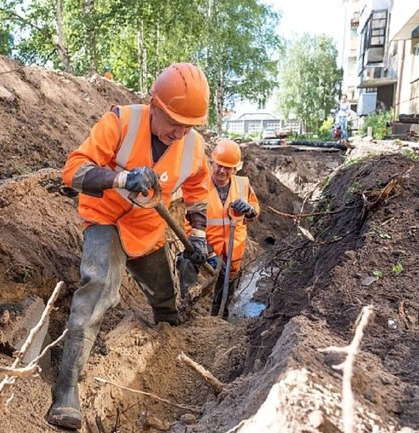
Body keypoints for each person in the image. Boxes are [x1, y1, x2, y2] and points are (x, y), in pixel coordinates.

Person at [48, 63, 211, 430]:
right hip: (105, 219)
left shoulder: (194, 148)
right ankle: (67, 390)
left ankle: (171, 336)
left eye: (189, 125)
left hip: (148, 229)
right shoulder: (122, 122)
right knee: (98, 288)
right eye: (173, 121)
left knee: (163, 297)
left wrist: (197, 238)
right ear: (154, 105)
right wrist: (122, 176)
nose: (179, 132)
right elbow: (72, 171)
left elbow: (199, 195)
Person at [204, 140, 260, 319]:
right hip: (207, 247)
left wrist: (250, 211)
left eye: (227, 167)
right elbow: (189, 219)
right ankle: (191, 314)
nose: (222, 171)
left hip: (233, 247)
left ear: (235, 168)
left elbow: (255, 208)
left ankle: (220, 317)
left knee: (227, 286)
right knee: (186, 264)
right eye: (219, 165)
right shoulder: (200, 185)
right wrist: (207, 250)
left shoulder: (243, 184)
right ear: (212, 162)